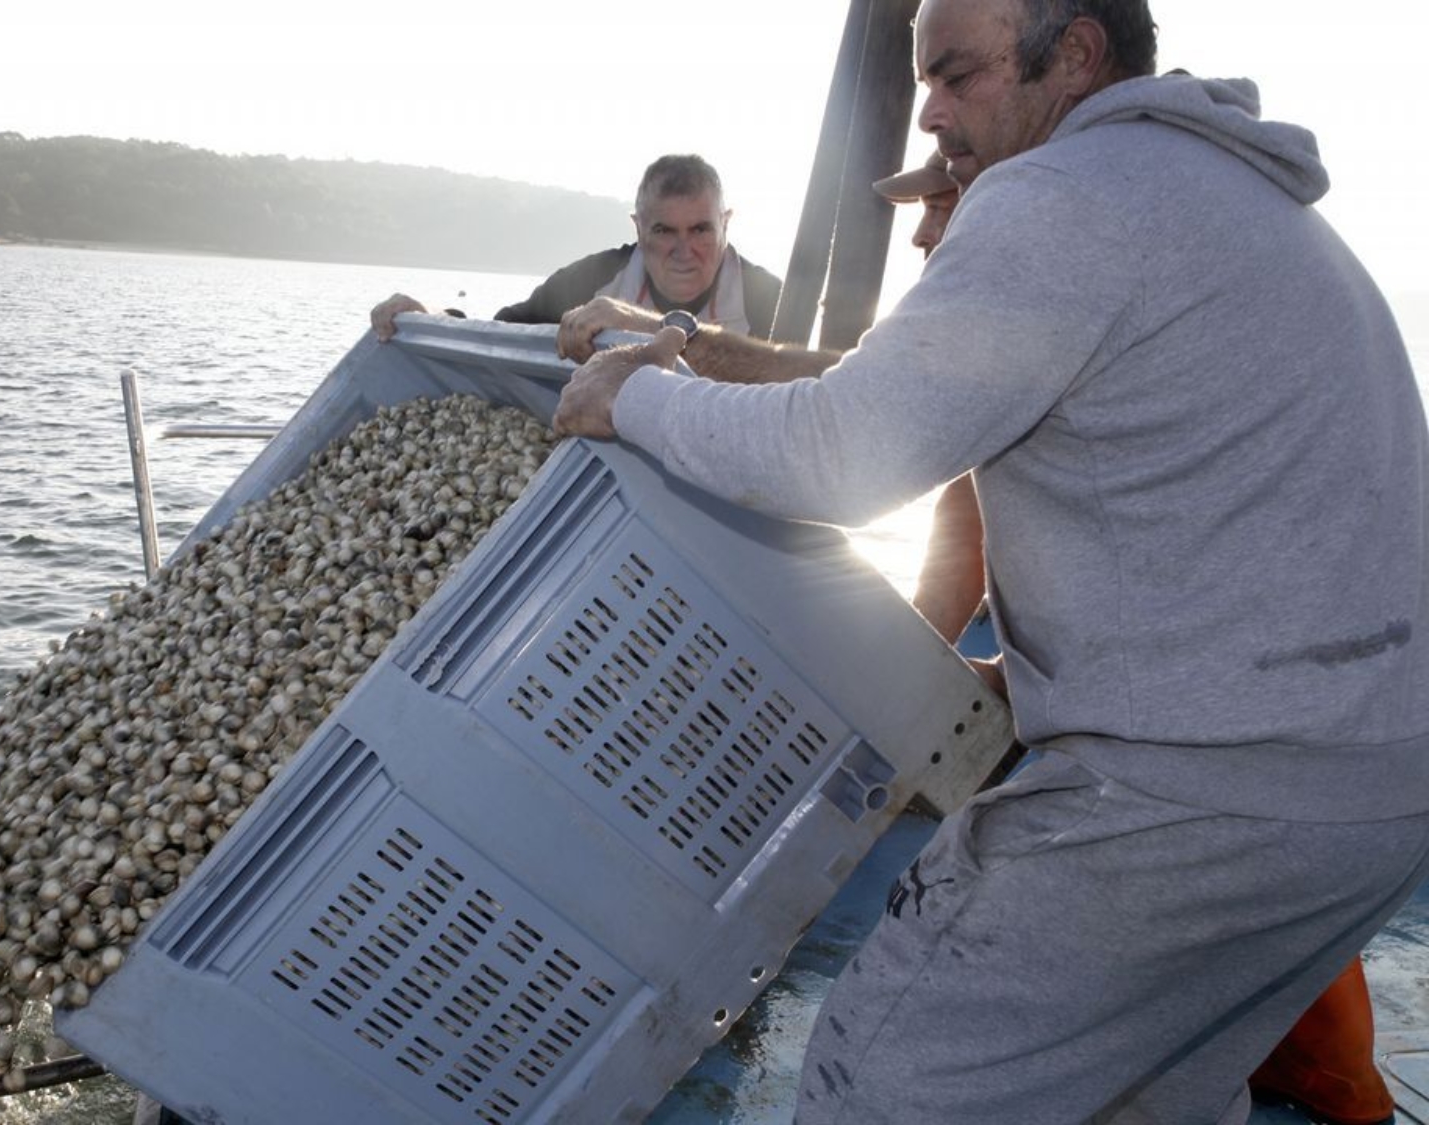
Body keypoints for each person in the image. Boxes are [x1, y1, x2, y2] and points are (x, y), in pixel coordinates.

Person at [554, 1, 1429, 1121]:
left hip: (1196, 801)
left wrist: (634, 399)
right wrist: (1015, 682)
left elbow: (844, 450)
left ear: (1070, 56)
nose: (927, 111)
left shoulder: (1063, 195)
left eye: (955, 75)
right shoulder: (1221, 196)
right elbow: (1240, 544)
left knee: (879, 1081)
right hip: (1363, 797)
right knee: (1135, 1101)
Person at [883, 145, 1400, 1125]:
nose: (916, 233)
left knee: (1313, 1065)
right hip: (1232, 768)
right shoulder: (1036, 363)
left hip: (1243, 777)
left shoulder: (1073, 350)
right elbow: (956, 605)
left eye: (938, 204)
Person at [370, 154, 783, 343]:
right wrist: (432, 317)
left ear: (726, 224)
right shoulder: (591, 280)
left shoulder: (770, 300)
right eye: (664, 231)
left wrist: (637, 325)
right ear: (638, 229)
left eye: (700, 230)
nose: (683, 249)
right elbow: (498, 334)